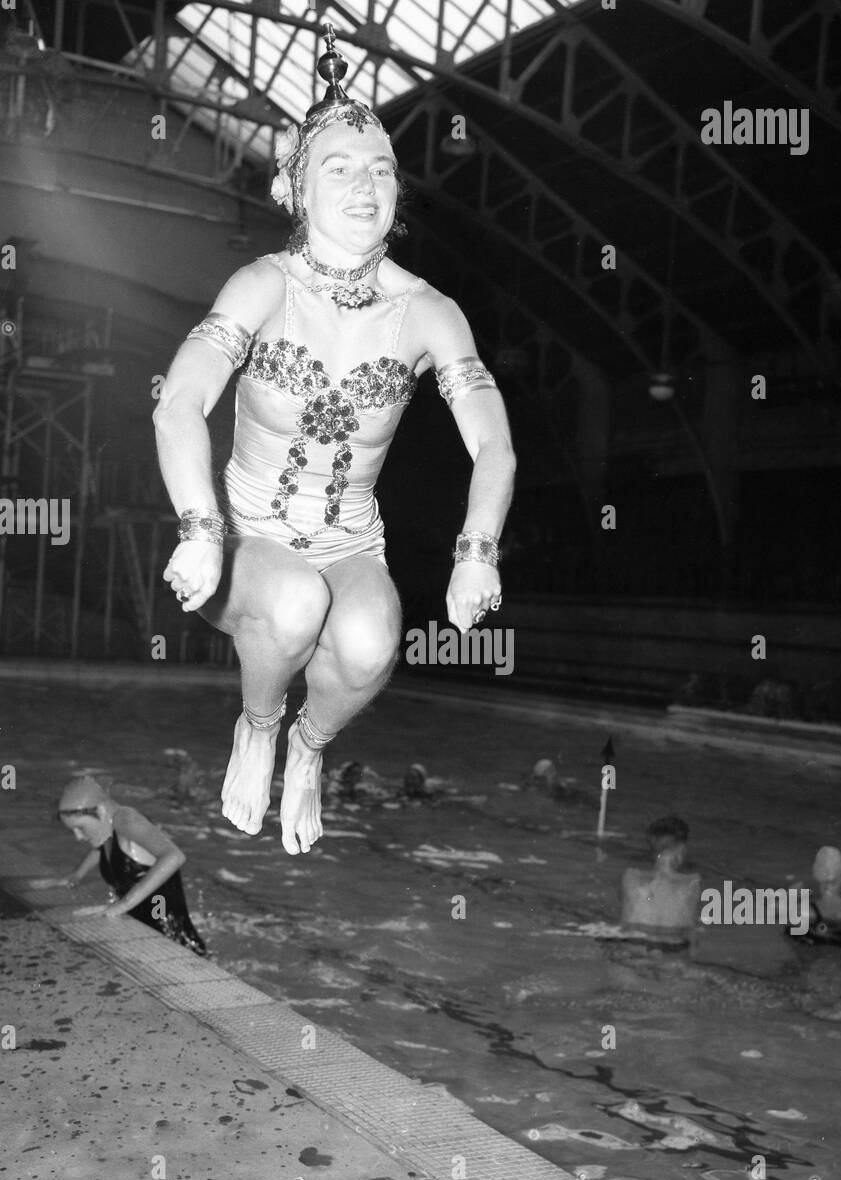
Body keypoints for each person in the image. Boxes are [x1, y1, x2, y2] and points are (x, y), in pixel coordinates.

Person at [153, 23, 515, 855]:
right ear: (295, 189)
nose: (365, 185)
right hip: (245, 540)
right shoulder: (261, 288)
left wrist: (477, 550)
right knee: (291, 602)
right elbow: (178, 405)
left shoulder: (428, 313)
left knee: (371, 640)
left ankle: (309, 750)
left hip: (351, 541)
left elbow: (492, 446)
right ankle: (257, 725)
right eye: (340, 168)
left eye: (381, 170)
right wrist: (201, 531)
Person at [41, 775, 207, 956]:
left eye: (81, 828)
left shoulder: (127, 820)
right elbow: (102, 849)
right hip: (148, 936)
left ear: (101, 811)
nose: (78, 837)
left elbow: (174, 856)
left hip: (177, 945)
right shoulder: (108, 830)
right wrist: (75, 876)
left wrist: (122, 905)